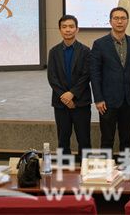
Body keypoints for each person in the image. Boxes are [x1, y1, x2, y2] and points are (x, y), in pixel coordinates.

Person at [90, 7, 130, 152]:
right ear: (110, 21)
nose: (119, 21)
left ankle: (127, 165)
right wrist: (98, 99)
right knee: (107, 139)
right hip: (107, 101)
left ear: (127, 21)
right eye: (116, 18)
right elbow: (95, 73)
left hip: (128, 100)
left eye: (123, 18)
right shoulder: (99, 44)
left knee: (127, 139)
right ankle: (107, 166)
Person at [47, 14, 92, 156]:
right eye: (64, 27)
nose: (68, 30)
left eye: (71, 26)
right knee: (62, 140)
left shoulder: (85, 51)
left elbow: (86, 75)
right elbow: (52, 77)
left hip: (81, 102)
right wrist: (64, 96)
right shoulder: (53, 52)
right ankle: (64, 168)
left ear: (77, 29)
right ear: (60, 30)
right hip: (61, 103)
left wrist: (72, 94)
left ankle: (85, 167)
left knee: (84, 140)